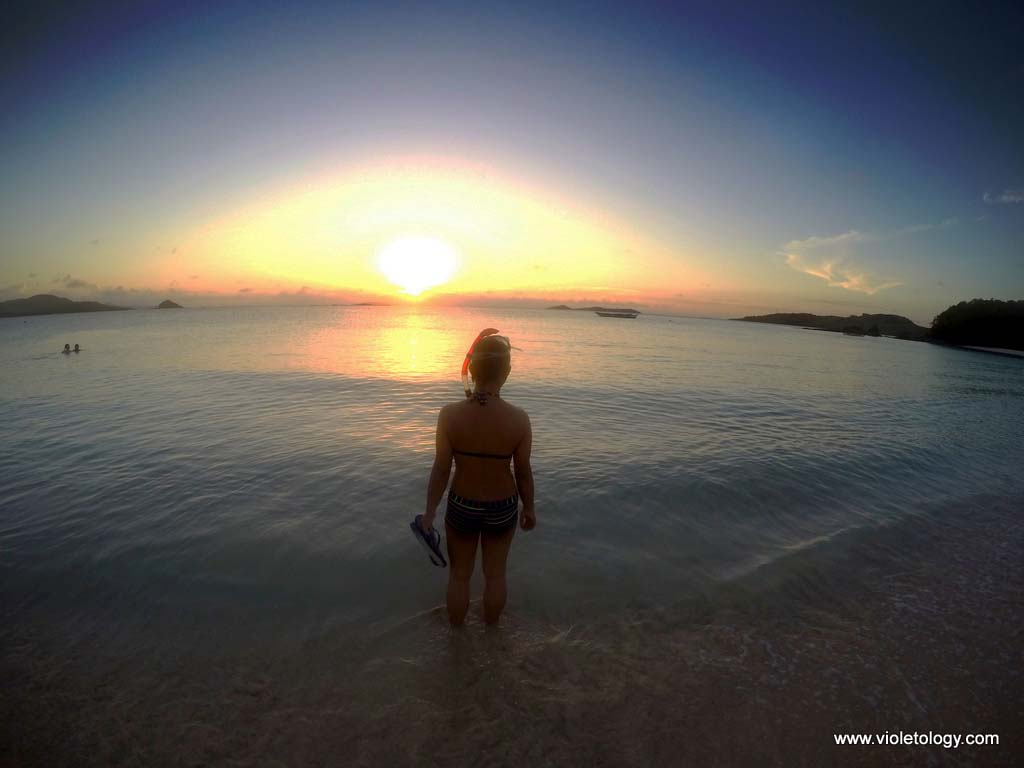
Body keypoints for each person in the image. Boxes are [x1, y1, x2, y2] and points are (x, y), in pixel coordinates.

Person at [422, 330, 536, 626]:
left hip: (462, 504)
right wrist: (529, 508)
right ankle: (492, 635)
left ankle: (456, 638)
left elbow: (441, 468)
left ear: (472, 370)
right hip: (502, 506)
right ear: (507, 372)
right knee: (495, 575)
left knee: (459, 576)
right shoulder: (519, 419)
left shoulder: (449, 415)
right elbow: (523, 472)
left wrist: (430, 511)